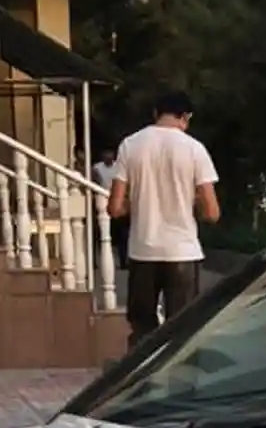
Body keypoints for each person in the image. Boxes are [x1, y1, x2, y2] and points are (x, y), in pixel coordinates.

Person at [109, 91, 220, 345]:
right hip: (182, 252)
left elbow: (115, 208)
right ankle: (180, 382)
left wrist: (139, 203)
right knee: (182, 332)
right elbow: (212, 213)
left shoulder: (130, 145)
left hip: (142, 251)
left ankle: (141, 380)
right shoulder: (195, 149)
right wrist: (190, 204)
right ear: (186, 117)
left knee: (142, 330)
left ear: (155, 113)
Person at [91, 150, 126, 271]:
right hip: (101, 200)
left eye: (110, 156)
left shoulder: (118, 167)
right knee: (98, 233)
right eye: (106, 156)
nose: (108, 158)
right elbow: (94, 181)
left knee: (122, 234)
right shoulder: (97, 168)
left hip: (116, 200)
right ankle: (93, 262)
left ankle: (124, 261)